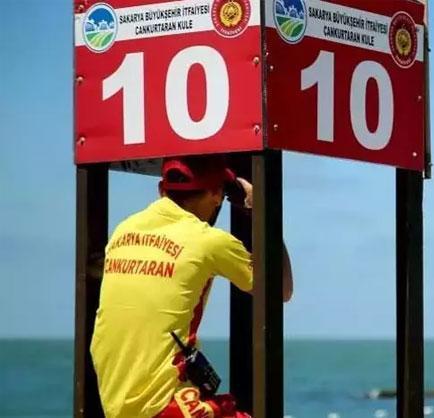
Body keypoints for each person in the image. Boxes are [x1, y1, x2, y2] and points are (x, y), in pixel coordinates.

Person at [90, 155, 293, 418]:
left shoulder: (124, 231)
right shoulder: (209, 241)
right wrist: (261, 211)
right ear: (217, 195)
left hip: (115, 404)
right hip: (163, 407)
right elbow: (281, 289)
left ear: (161, 190)